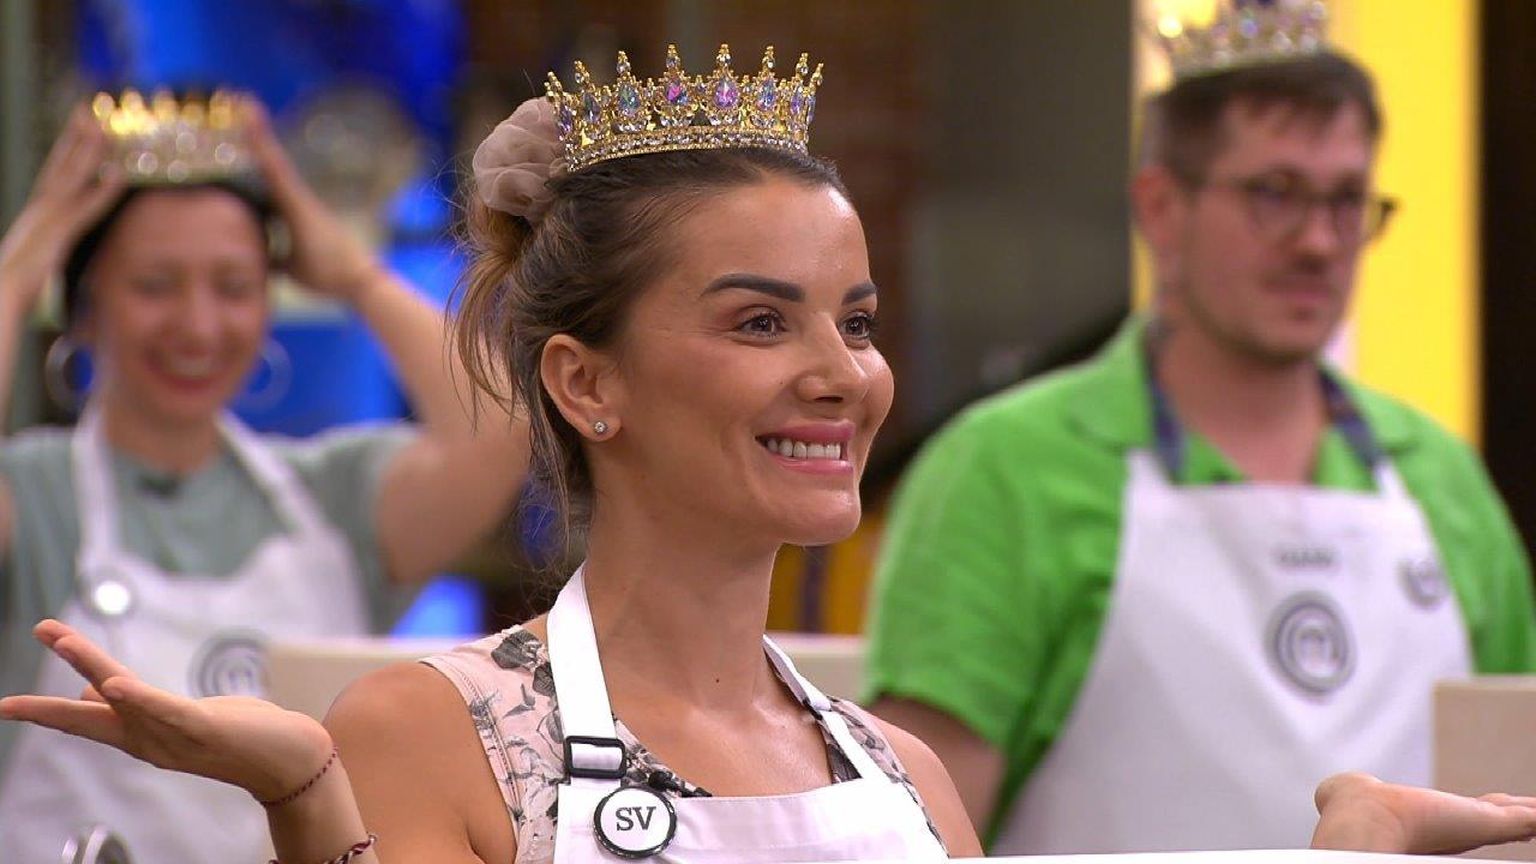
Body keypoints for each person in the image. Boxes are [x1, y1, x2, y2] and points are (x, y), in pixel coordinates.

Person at [4, 44, 1536, 864]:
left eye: (854, 321)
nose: (842, 373)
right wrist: (307, 810)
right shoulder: (430, 731)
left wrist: (1348, 857)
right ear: (584, 381)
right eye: (758, 321)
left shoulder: (901, 779)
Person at [862, 7, 1536, 857]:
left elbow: (1516, 795)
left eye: (1345, 200)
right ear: (1162, 208)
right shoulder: (1005, 468)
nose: (1319, 242)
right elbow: (913, 837)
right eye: (1274, 194)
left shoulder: (1441, 475)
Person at [0, 92, 529, 861]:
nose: (199, 325)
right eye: (155, 285)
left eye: (234, 286)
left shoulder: (332, 495)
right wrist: (22, 263)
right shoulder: (31, 496)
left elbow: (503, 426)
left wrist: (354, 274)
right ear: (84, 309)